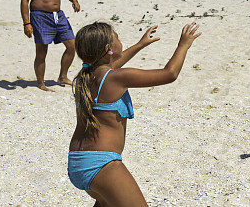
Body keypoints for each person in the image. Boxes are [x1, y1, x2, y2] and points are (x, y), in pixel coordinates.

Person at [67, 21, 201, 206]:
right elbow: (169, 74)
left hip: (77, 161)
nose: (120, 40)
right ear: (108, 49)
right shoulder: (117, 77)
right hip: (101, 164)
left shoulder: (85, 76)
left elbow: (111, 65)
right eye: (118, 38)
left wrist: (140, 45)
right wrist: (183, 45)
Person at [20, 0, 81, 91]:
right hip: (40, 16)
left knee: (72, 45)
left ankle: (62, 77)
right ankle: (41, 83)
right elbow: (24, 1)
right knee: (41, 51)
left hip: (58, 15)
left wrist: (74, 0)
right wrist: (26, 23)